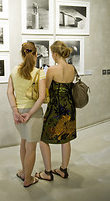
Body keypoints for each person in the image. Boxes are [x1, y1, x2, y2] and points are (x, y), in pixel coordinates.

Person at [35, 41, 76, 181]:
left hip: (55, 108)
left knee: (43, 138)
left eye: (52, 53)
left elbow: (46, 89)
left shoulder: (52, 70)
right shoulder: (72, 69)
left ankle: (47, 172)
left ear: (55, 54)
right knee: (66, 138)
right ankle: (63, 170)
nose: (51, 55)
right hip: (69, 107)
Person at [7, 42, 46, 188]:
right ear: (35, 54)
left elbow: (9, 92)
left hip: (19, 112)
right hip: (33, 113)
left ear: (22, 54)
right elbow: (41, 97)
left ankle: (24, 172)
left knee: (23, 142)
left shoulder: (14, 70)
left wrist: (15, 111)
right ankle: (28, 179)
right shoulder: (38, 72)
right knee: (31, 147)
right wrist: (30, 113)